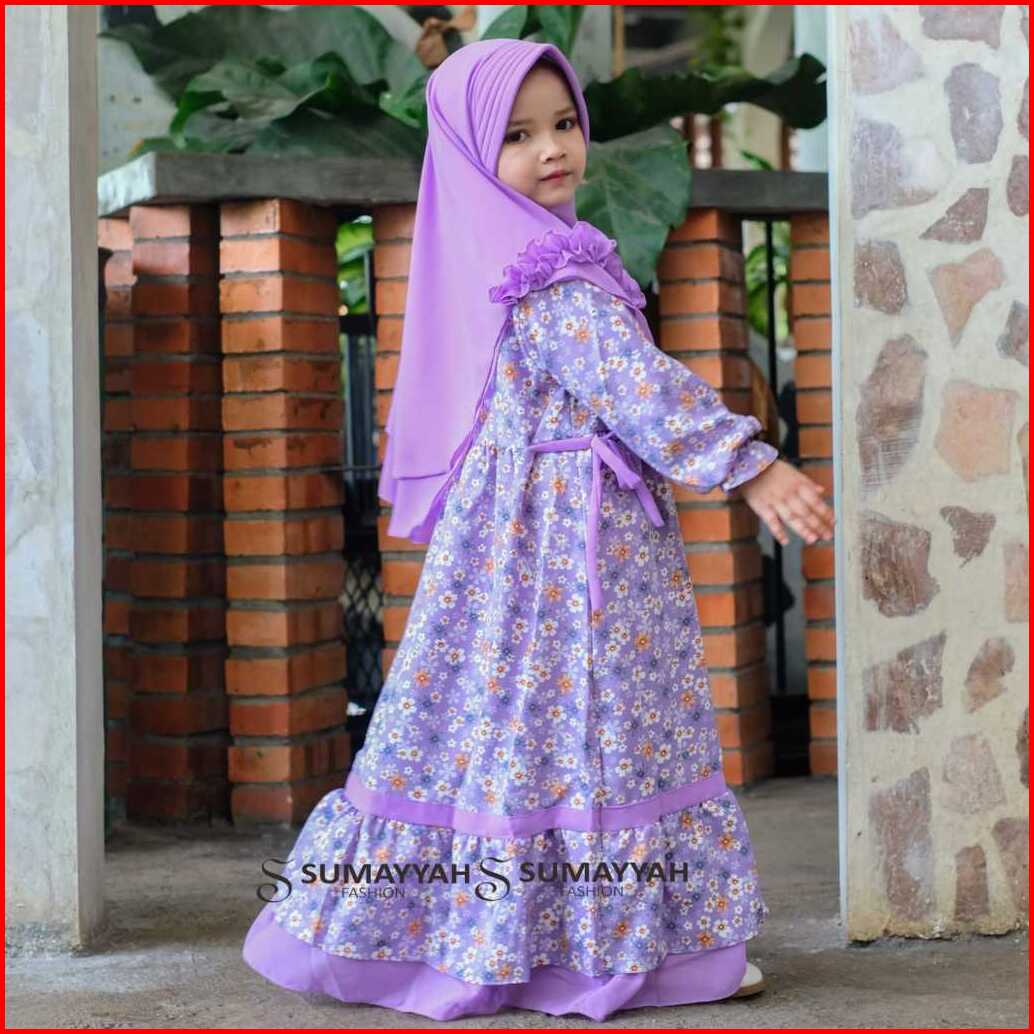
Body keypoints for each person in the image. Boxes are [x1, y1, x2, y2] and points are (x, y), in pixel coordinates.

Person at [242, 37, 835, 1022]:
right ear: (473, 154)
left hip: (538, 536)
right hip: (561, 547)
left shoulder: (526, 253)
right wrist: (748, 462)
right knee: (592, 726)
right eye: (515, 136)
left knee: (519, 729)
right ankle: (619, 952)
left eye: (563, 123)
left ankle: (497, 935)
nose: (551, 147)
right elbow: (634, 386)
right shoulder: (547, 274)